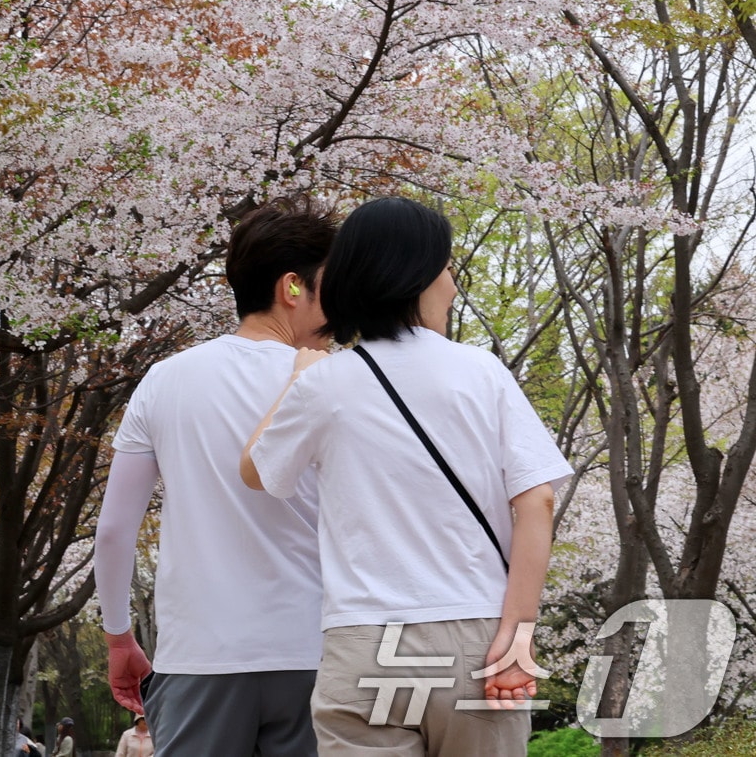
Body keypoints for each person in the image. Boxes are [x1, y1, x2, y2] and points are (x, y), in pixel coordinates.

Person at [241, 196, 573, 757]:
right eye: (446, 267)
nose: (452, 283)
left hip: (365, 642)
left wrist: (299, 375)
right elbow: (536, 501)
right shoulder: (481, 372)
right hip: (477, 641)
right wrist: (518, 637)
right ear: (416, 274)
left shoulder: (325, 385)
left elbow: (256, 473)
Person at [94, 195, 336, 755]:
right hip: (314, 654)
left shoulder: (165, 380)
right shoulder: (339, 380)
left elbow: (112, 532)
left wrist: (118, 637)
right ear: (293, 286)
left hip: (199, 656)